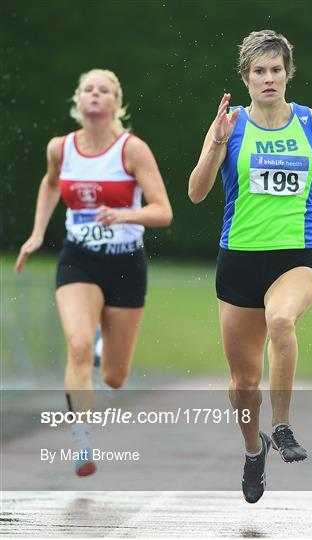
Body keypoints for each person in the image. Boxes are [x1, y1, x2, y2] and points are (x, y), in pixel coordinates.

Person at [188, 30, 312, 503]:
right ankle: (254, 449)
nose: (269, 78)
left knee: (282, 319)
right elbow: (196, 192)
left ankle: (283, 426)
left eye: (276, 69)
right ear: (246, 78)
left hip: (297, 258)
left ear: (288, 74)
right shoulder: (229, 123)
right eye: (259, 71)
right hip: (240, 262)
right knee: (243, 386)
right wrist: (214, 147)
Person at [15, 69, 172, 476]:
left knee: (116, 377)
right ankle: (81, 439)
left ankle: (105, 344)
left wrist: (123, 213)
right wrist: (36, 234)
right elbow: (51, 185)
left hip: (125, 263)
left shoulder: (132, 151)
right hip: (78, 259)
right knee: (78, 346)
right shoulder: (60, 148)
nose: (96, 96)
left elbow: (163, 211)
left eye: (105, 91)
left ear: (117, 104)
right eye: (89, 89)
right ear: (78, 101)